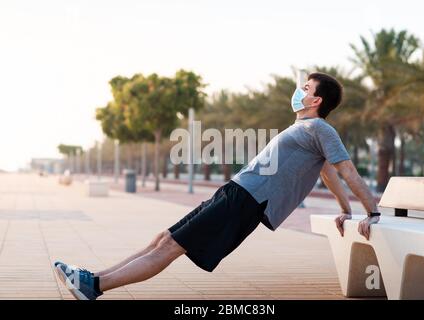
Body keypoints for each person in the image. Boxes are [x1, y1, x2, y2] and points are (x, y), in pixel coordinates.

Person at [54, 72, 380, 300]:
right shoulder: (307, 129)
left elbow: (346, 171)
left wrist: (372, 212)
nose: (300, 90)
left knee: (171, 248)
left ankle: (94, 286)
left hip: (245, 201)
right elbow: (327, 174)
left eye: (306, 87)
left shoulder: (321, 129)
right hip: (235, 191)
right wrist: (345, 210)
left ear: (316, 99)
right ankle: (93, 277)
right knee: (164, 238)